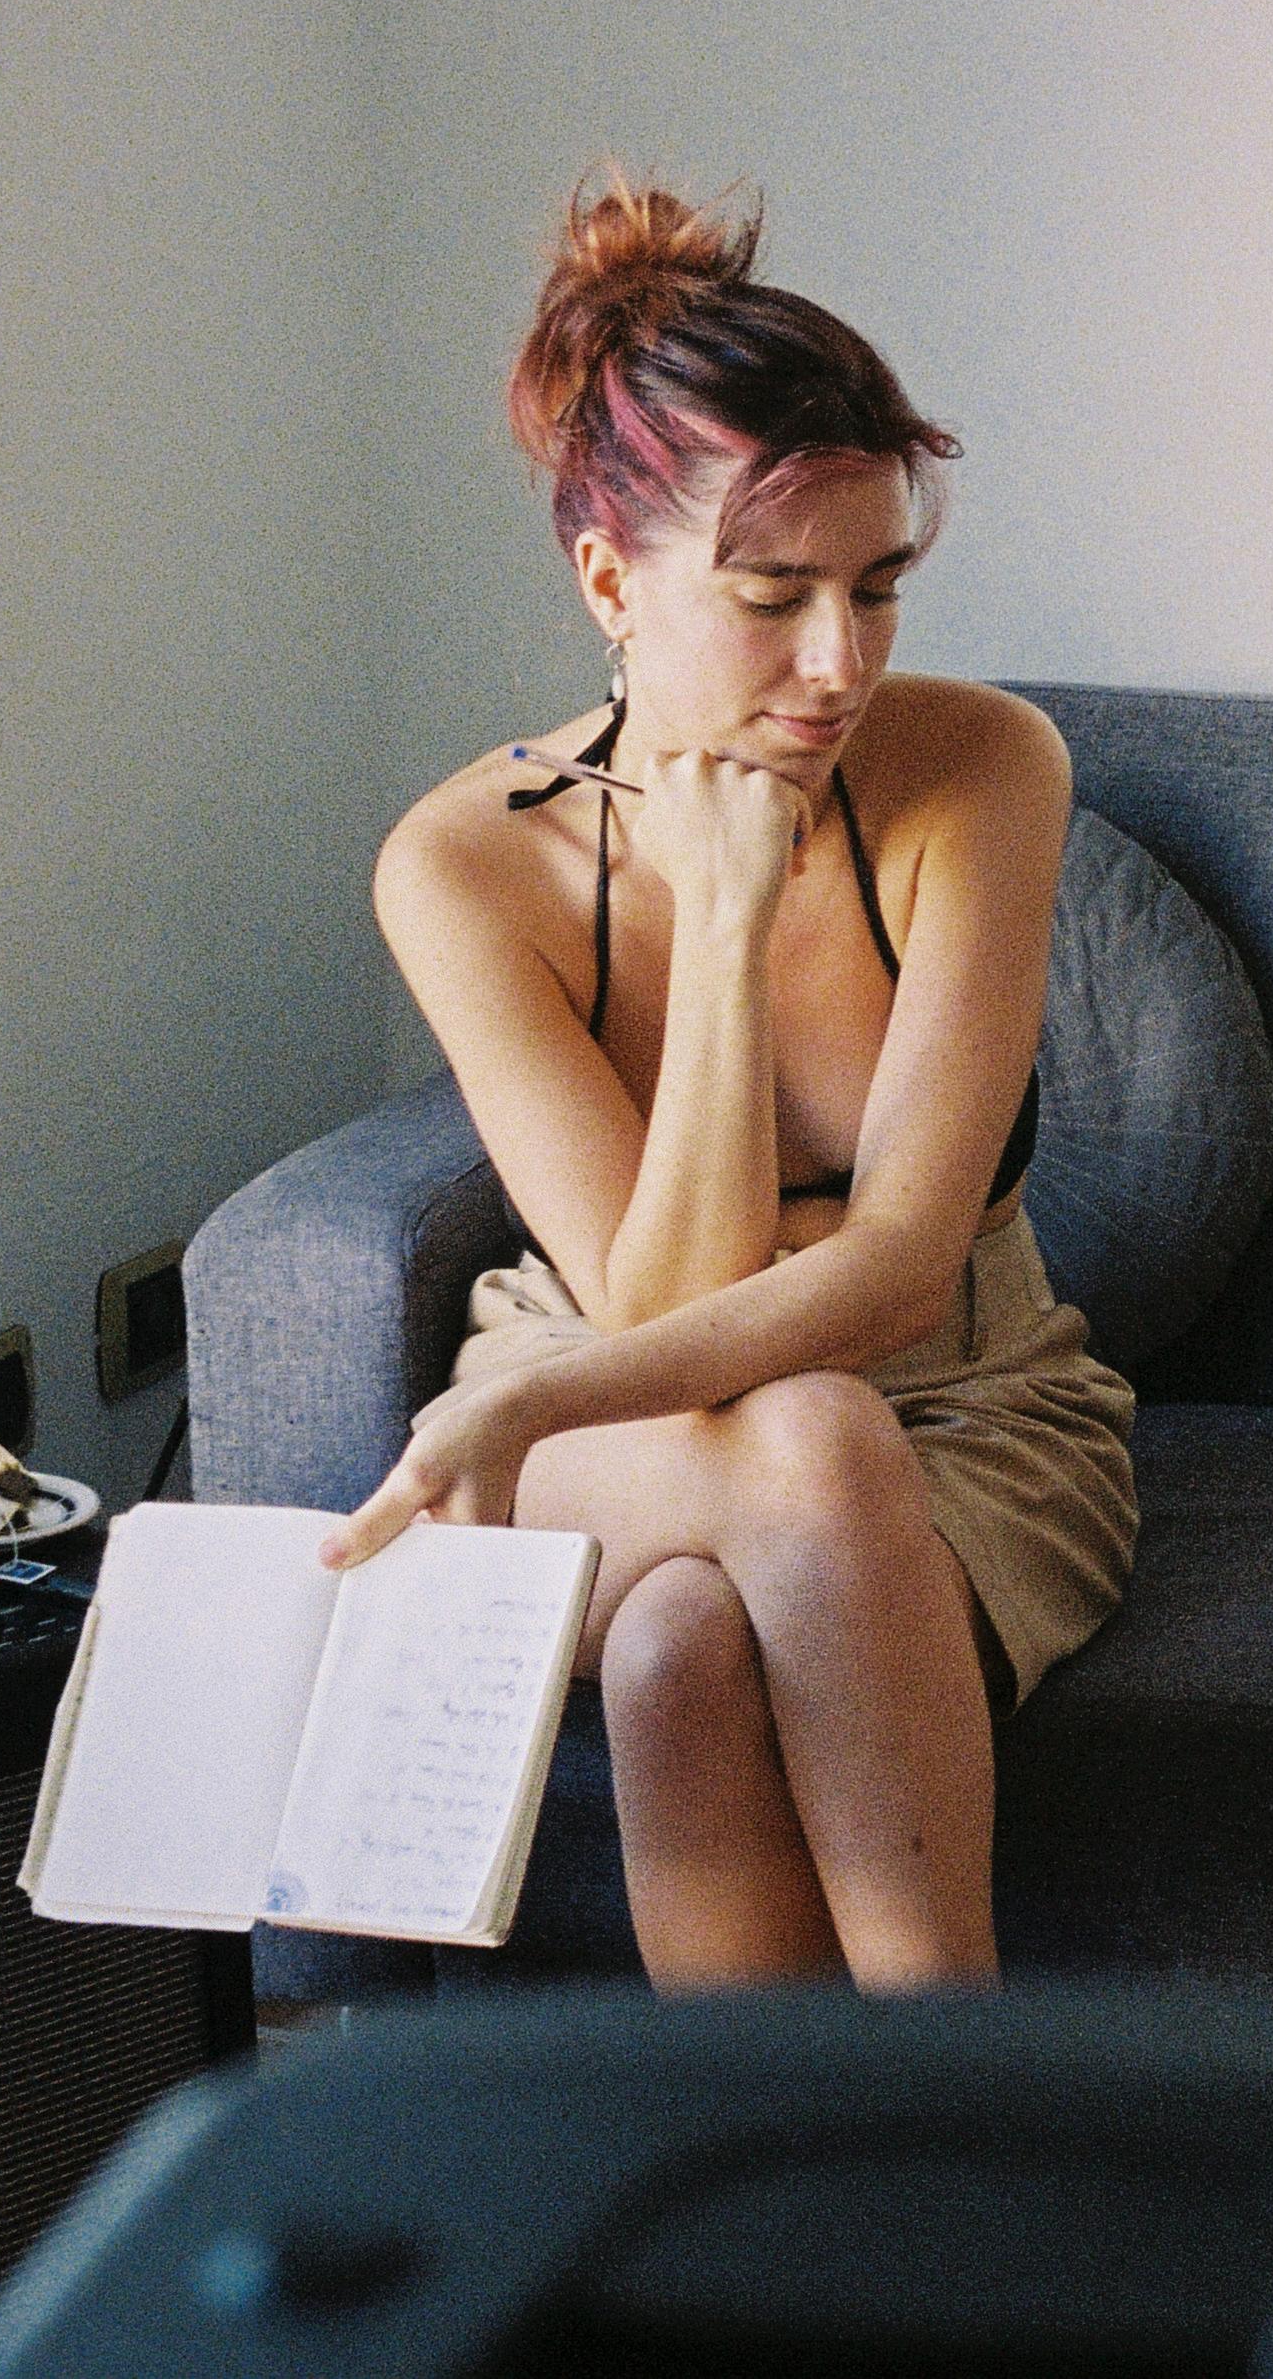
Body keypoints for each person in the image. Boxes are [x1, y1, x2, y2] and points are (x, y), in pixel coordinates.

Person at [333, 175, 1130, 1992]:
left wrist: (510, 1424)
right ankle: (973, 2129)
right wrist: (725, 910)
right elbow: (667, 1301)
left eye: (878, 590)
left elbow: (900, 1265)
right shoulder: (460, 865)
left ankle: (803, 2220)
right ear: (610, 580)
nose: (841, 663)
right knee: (781, 1467)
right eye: (773, 598)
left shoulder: (986, 772)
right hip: (600, 1397)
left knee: (691, 1633)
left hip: (962, 1399)